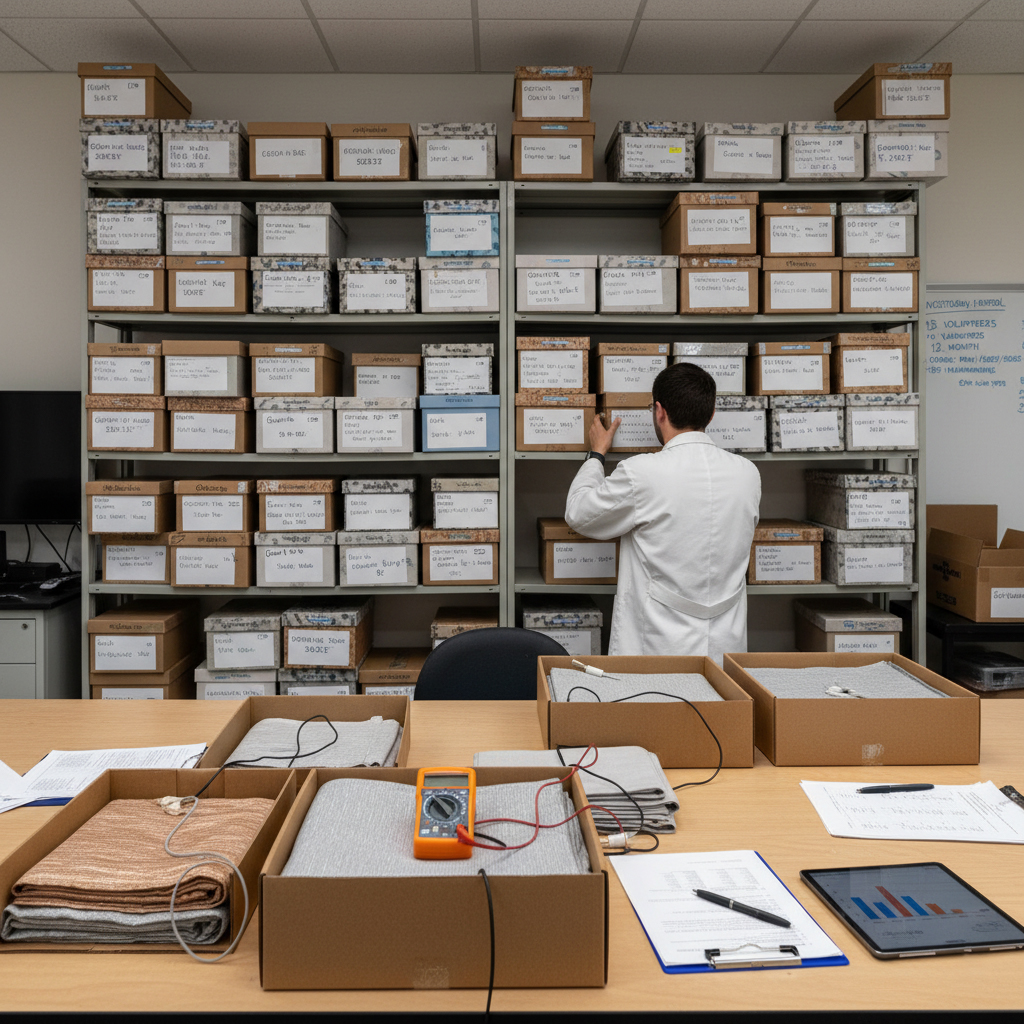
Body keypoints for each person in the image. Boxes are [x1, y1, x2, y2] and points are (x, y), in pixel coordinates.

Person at [564, 361, 761, 664]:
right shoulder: (748, 474)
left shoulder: (642, 472)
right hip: (725, 646)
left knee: (653, 709)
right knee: (717, 710)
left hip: (656, 646)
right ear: (711, 414)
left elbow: (579, 513)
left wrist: (596, 455)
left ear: (659, 411)